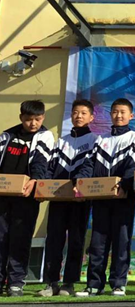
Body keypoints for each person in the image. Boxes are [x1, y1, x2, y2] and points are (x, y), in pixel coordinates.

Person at [75, 98, 135, 297]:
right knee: (97, 243)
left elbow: (134, 165)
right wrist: (80, 182)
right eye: (115, 112)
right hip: (101, 198)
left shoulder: (134, 137)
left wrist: (125, 186)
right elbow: (89, 164)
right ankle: (94, 284)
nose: (118, 115)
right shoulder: (101, 139)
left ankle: (118, 284)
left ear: (131, 116)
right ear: (110, 114)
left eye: (122, 112)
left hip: (123, 198)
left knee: (121, 242)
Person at [38, 99, 98, 297]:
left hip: (80, 198)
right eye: (75, 112)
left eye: (83, 113)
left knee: (76, 240)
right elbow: (50, 168)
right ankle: (51, 283)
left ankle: (69, 283)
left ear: (91, 117)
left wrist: (78, 183)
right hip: (58, 198)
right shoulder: (61, 141)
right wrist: (45, 186)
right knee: (54, 240)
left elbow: (90, 166)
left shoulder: (95, 140)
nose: (78, 116)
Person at [0, 100, 54, 297]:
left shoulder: (44, 136)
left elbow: (42, 161)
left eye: (37, 119)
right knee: (1, 238)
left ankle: (15, 283)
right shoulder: (7, 136)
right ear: (21, 117)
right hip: (3, 197)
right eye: (29, 119)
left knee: (20, 239)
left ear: (43, 118)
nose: (33, 123)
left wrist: (35, 180)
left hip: (26, 197)